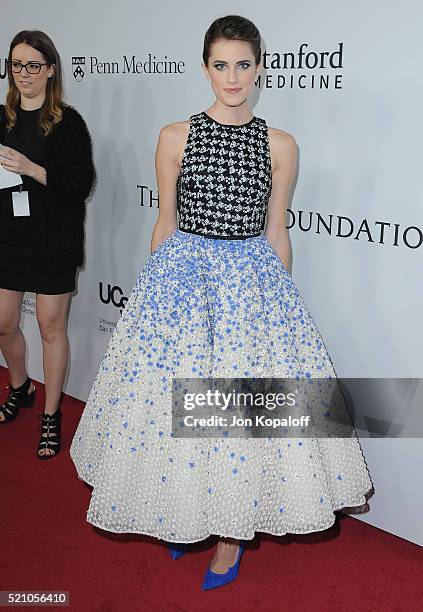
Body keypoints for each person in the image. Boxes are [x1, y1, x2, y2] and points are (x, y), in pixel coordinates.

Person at [70, 15, 373, 590]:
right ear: (205, 67)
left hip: (249, 290)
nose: (232, 77)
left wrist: (278, 306)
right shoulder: (174, 136)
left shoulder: (281, 145)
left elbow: (278, 231)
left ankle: (229, 536)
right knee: (175, 409)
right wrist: (152, 299)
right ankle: (190, 515)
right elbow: (164, 222)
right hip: (182, 284)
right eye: (220, 64)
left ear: (260, 67)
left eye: (243, 64)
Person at [0, 30, 95, 459]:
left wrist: (31, 168)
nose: (24, 74)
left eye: (33, 65)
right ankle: (20, 387)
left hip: (53, 240)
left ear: (51, 70)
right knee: (3, 322)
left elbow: (78, 186)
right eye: (16, 65)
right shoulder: (1, 119)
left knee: (49, 326)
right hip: (8, 236)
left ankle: (52, 414)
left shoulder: (68, 122)